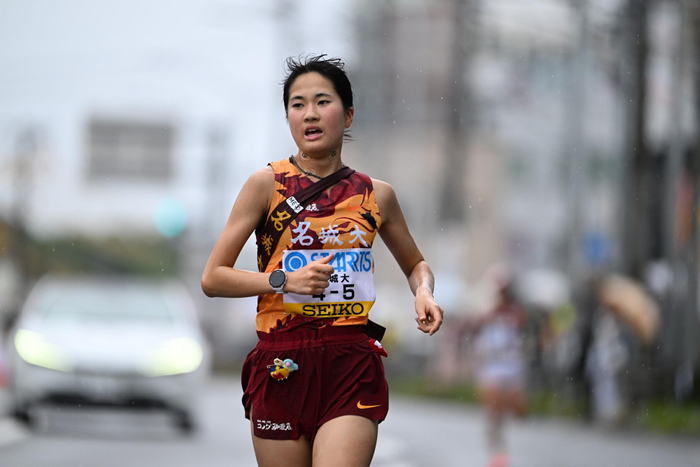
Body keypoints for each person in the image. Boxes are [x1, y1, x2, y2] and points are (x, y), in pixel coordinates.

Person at [201, 54, 443, 467]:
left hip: (350, 362)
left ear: (348, 115)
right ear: (289, 118)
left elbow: (415, 264)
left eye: (322, 102)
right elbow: (213, 278)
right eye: (298, 105)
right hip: (282, 363)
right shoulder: (266, 185)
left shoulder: (377, 195)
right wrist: (282, 281)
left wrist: (423, 292)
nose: (309, 113)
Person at [473, 273, 527, 467]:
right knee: (493, 411)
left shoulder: (517, 314)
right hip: (492, 367)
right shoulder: (489, 313)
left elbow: (526, 334)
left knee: (517, 411)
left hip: (512, 367)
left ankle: (503, 444)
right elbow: (477, 331)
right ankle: (497, 451)